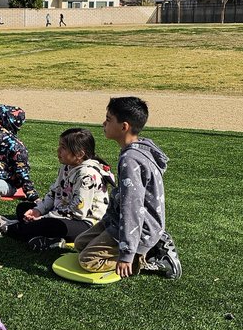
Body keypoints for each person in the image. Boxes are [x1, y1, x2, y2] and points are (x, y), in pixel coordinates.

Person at [75, 97, 181, 280]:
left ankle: (150, 256)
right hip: (119, 220)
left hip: (138, 227)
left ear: (124, 127)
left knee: (88, 261)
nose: (104, 123)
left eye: (108, 120)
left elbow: (132, 208)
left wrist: (127, 254)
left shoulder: (130, 160)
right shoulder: (137, 148)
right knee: (80, 244)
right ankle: (149, 244)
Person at [0, 127, 114, 250]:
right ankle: (46, 238)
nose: (58, 150)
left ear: (79, 154)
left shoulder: (87, 175)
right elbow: (54, 192)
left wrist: (44, 217)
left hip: (86, 224)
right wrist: (37, 211)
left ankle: (12, 228)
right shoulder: (67, 167)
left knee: (48, 225)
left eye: (63, 147)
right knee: (23, 208)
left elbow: (77, 212)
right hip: (62, 212)